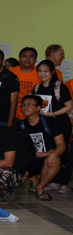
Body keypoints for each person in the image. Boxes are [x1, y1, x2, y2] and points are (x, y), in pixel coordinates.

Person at [33, 60, 73, 194]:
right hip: (45, 125)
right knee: (50, 151)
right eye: (40, 71)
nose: (42, 74)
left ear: (52, 72)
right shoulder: (37, 88)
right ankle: (52, 180)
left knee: (63, 152)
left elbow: (69, 106)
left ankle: (64, 182)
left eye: (45, 71)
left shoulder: (60, 87)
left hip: (61, 123)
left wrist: (53, 113)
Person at [19, 95, 66, 200]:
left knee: (55, 160)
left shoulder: (50, 122)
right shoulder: (20, 125)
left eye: (29, 105)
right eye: (23, 105)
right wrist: (46, 153)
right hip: (30, 160)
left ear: (38, 108)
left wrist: (53, 154)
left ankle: (40, 187)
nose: (25, 107)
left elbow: (61, 145)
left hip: (46, 160)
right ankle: (33, 179)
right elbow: (22, 151)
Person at [9, 47, 63, 121]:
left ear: (35, 59)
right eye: (24, 56)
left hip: (38, 117)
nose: (27, 59)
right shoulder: (10, 72)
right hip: (13, 116)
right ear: (20, 58)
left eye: (31, 56)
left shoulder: (42, 72)